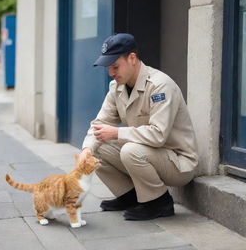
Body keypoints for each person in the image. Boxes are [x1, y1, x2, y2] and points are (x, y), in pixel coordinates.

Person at [79, 33, 198, 221]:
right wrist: (86, 150)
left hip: (177, 161)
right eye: (108, 68)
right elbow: (99, 124)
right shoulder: (116, 87)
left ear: (132, 58)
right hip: (148, 153)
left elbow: (158, 135)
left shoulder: (160, 86)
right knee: (96, 148)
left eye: (115, 66)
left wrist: (118, 132)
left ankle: (159, 202)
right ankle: (130, 196)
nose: (111, 73)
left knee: (130, 150)